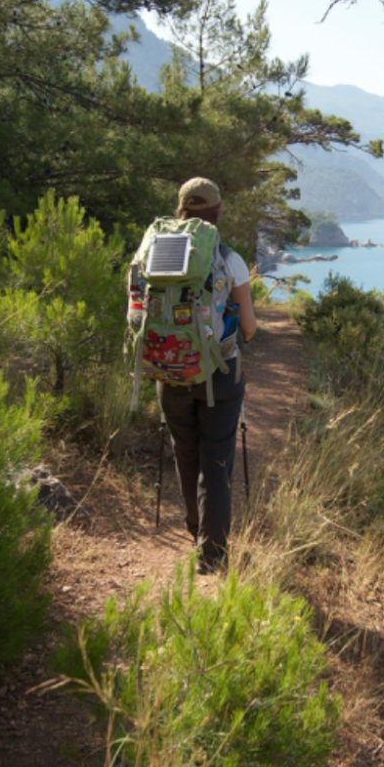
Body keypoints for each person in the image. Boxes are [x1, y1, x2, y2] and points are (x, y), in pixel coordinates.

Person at [156, 177, 257, 574]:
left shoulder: (153, 253)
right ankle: (211, 553)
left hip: (169, 370)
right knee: (216, 459)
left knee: (187, 455)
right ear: (216, 212)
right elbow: (247, 326)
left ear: (181, 209)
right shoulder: (228, 259)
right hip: (219, 374)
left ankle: (195, 532)